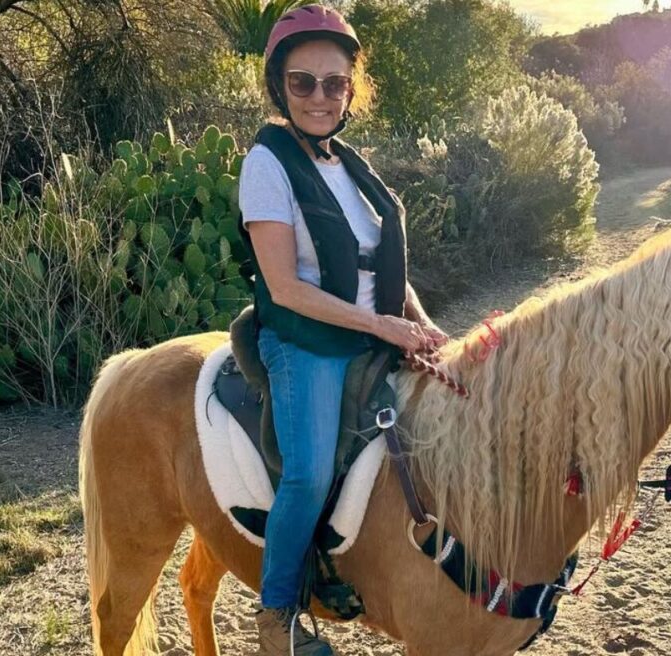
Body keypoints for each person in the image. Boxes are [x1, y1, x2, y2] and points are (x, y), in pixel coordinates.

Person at [238, 5, 447, 655]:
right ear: (280, 86)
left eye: (334, 83)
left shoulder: (349, 165)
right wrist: (380, 325)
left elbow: (380, 265)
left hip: (371, 328)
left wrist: (424, 325)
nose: (320, 97)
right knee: (307, 469)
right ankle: (276, 616)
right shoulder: (267, 165)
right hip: (307, 339)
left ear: (351, 88)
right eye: (303, 82)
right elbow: (284, 286)